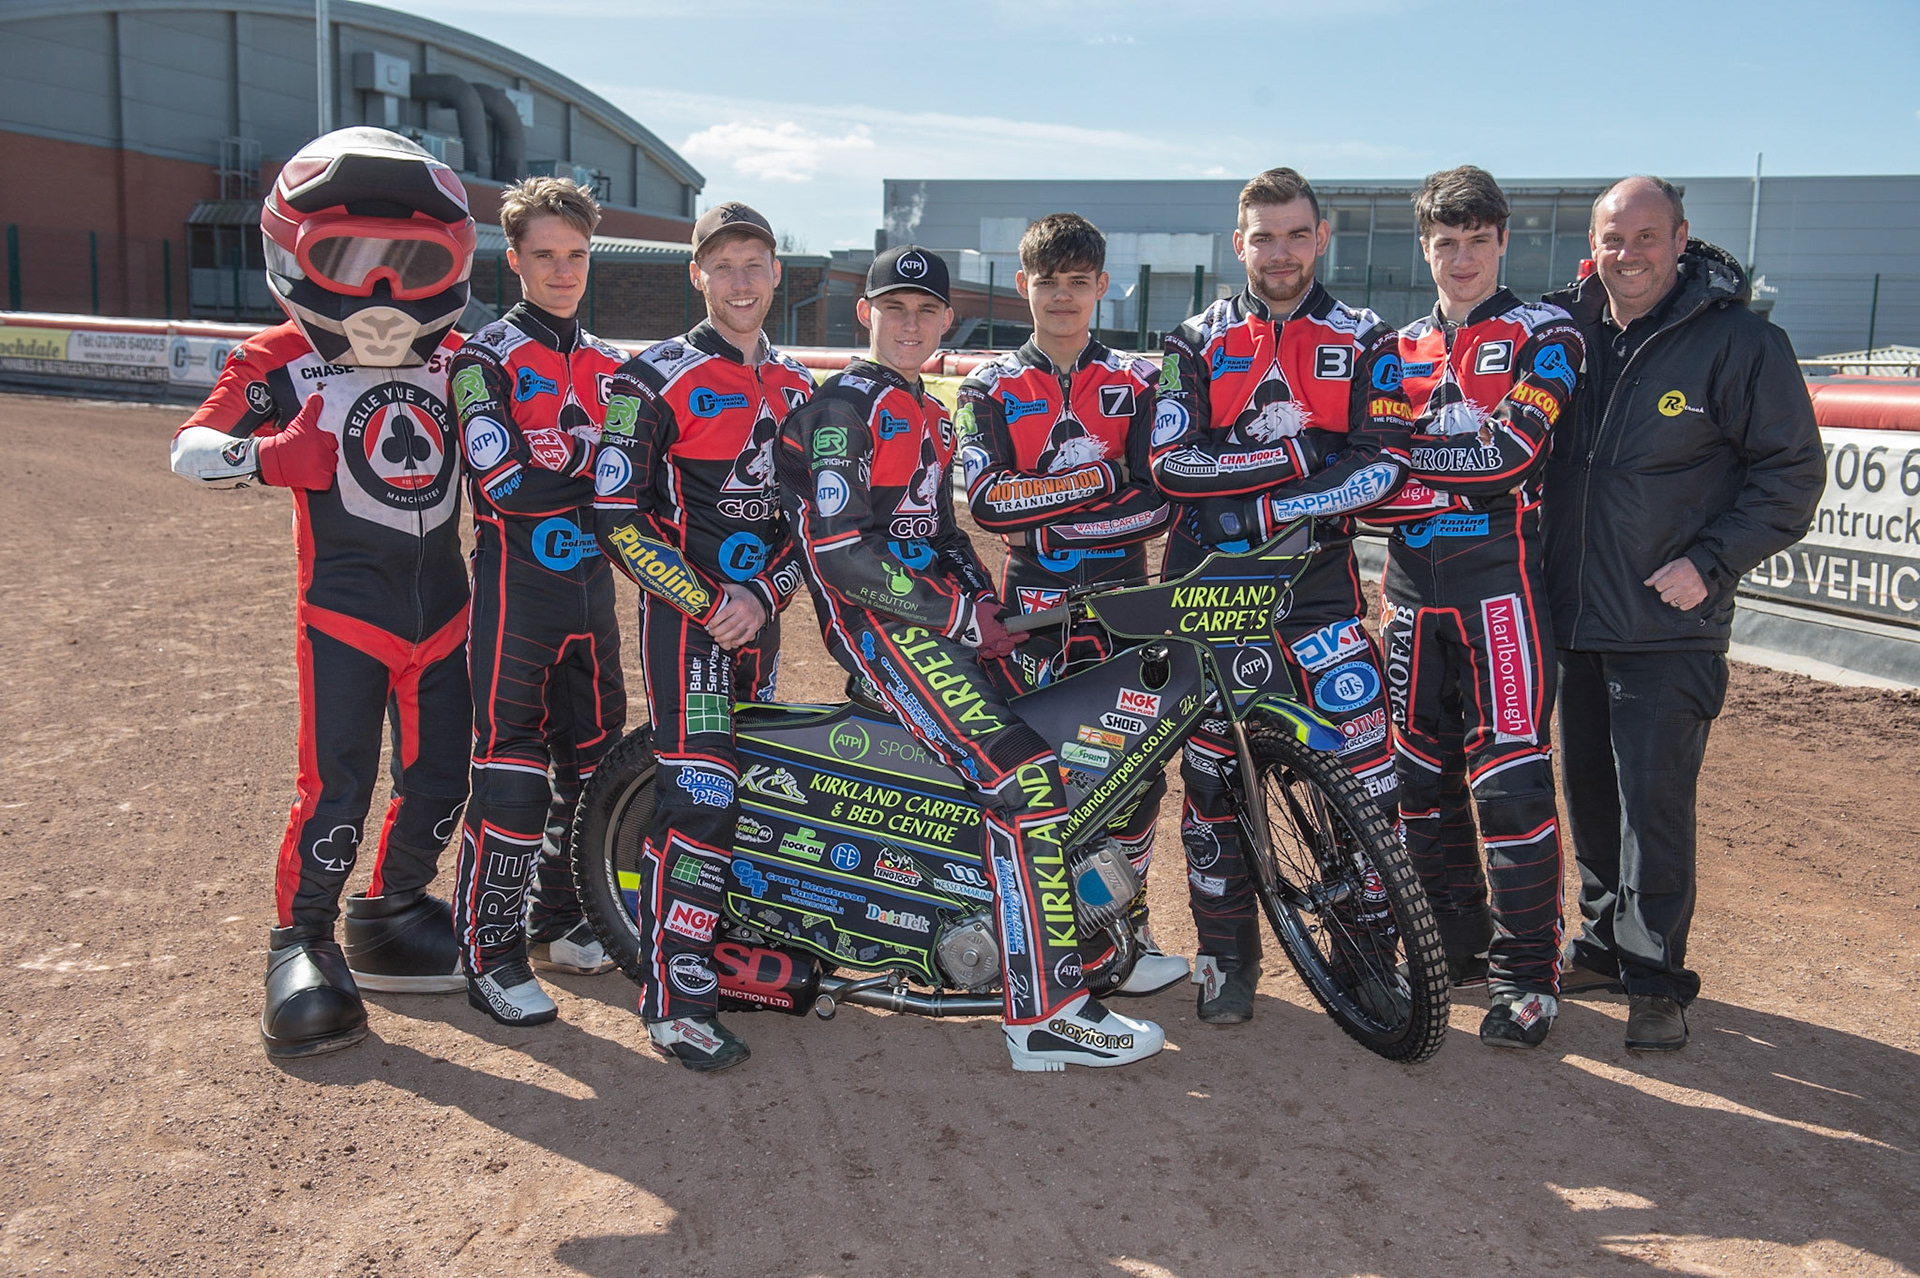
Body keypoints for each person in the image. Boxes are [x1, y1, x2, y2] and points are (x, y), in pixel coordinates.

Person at [776, 245, 1165, 1071]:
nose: (910, 323)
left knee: (1076, 747)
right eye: (895, 309)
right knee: (1023, 778)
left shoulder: (924, 408)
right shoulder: (844, 403)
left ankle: (1082, 941)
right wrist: (959, 613)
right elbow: (845, 554)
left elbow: (945, 535)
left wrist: (980, 604)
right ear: (864, 314)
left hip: (934, 619)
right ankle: (1042, 1016)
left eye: (925, 311)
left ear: (948, 321)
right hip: (876, 625)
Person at [168, 127, 476, 1058]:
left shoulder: (462, 359)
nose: (381, 288)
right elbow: (189, 450)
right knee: (334, 786)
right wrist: (268, 457)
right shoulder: (278, 360)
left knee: (440, 777)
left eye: (408, 261)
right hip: (345, 612)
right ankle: (299, 941)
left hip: (448, 608)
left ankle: (390, 913)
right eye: (351, 257)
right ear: (295, 251)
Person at [1542, 176, 1823, 1052]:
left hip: (1668, 624)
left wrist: (1709, 562)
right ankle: (1599, 942)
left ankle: (1657, 976)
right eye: (1613, 239)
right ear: (1594, 244)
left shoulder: (1740, 342)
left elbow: (1790, 475)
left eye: (1647, 237)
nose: (1629, 255)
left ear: (1681, 238)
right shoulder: (1565, 331)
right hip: (1573, 616)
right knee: (1588, 792)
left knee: (1652, 802)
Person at [1150, 168, 1413, 1026]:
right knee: (1213, 778)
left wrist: (1259, 498)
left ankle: (1367, 956)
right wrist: (1306, 461)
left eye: (1297, 235)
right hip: (1208, 595)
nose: (1281, 253)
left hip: (1319, 593)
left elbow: (1380, 465)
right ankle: (1229, 961)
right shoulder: (1193, 337)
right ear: (1240, 245)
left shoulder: (1365, 335)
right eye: (1264, 237)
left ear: (1321, 238)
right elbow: (1170, 467)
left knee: (1367, 781)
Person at [593, 202, 816, 1071]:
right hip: (688, 632)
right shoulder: (649, 379)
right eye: (722, 265)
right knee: (701, 803)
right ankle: (674, 1003)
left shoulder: (801, 387)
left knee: (749, 797)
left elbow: (811, 524)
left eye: (754, 263)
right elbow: (617, 516)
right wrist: (709, 602)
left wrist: (763, 595)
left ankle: (727, 965)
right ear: (698, 275)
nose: (740, 281)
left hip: (759, 625)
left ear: (775, 273)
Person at [1365, 166, 1585, 1048]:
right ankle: (1450, 943)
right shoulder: (1392, 345)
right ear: (1426, 245)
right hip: (1412, 598)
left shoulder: (1547, 330)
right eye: (1444, 241)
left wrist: (1407, 471)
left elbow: (1510, 457)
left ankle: (1529, 973)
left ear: (1504, 241)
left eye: (1477, 240)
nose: (1461, 257)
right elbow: (1368, 488)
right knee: (1415, 780)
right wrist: (1411, 478)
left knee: (1511, 780)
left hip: (1503, 593)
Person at [953, 212, 1184, 997]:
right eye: (1048, 282)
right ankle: (1041, 930)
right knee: (1040, 773)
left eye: (1078, 283)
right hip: (1033, 607)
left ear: (1101, 288)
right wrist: (1097, 481)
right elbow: (987, 502)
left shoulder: (1138, 381)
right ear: (1024, 286)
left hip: (1125, 603)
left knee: (1138, 774)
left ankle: (1129, 925)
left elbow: (1161, 500)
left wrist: (1053, 508)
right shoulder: (987, 385)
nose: (1062, 296)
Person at [449, 177, 629, 1026]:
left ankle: (562, 919)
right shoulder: (481, 358)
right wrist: (606, 490)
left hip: (592, 604)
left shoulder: (612, 368)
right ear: (514, 259)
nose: (564, 271)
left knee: (594, 766)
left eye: (577, 256)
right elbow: (508, 481)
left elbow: (646, 485)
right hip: (515, 602)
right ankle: (488, 952)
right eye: (546, 256)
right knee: (513, 773)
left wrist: (605, 491)